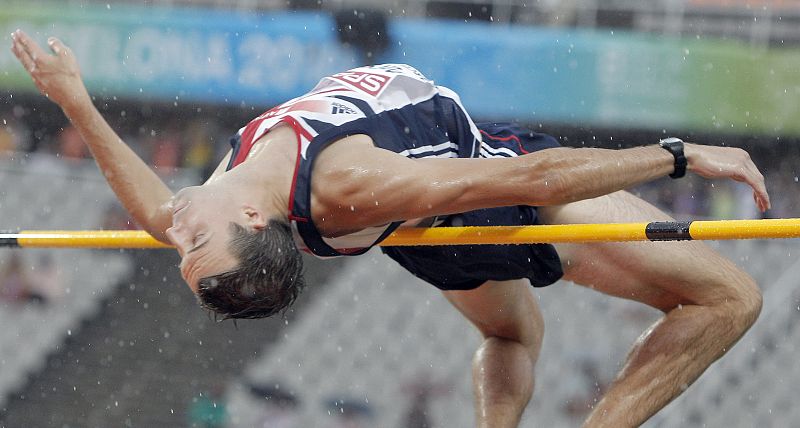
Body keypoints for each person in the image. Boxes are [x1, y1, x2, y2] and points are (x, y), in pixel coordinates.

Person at [11, 29, 769, 427]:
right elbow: (527, 179)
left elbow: (151, 208)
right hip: (493, 203)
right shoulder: (341, 185)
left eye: (183, 249)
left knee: (511, 337)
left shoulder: (228, 193)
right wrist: (677, 154)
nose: (176, 230)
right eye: (193, 244)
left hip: (422, 240)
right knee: (730, 300)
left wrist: (75, 100)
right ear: (251, 221)